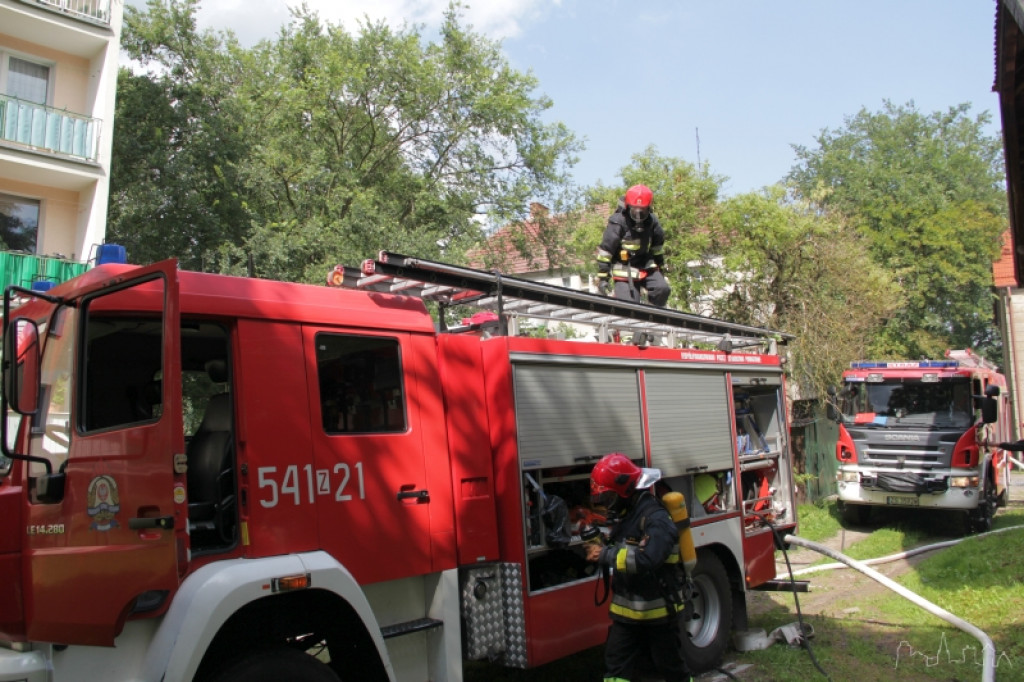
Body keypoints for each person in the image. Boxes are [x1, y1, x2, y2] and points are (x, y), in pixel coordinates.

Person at [585, 453, 691, 682]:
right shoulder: (629, 514)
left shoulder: (656, 518)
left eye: (610, 497)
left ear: (625, 490)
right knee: (615, 668)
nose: (607, 504)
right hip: (627, 615)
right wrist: (602, 545)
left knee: (671, 668)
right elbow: (625, 547)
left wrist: (605, 554)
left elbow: (648, 559)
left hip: (659, 614)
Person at [596, 184, 670, 306]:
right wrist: (603, 279)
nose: (639, 215)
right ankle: (620, 301)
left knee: (662, 289)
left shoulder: (652, 221)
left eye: (643, 211)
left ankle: (652, 313)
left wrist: (660, 267)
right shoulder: (618, 222)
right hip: (624, 269)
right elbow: (606, 251)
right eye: (635, 210)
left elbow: (657, 247)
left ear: (648, 208)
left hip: (645, 265)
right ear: (627, 207)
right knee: (630, 307)